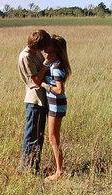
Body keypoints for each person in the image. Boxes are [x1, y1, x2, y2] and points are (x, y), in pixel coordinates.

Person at [17, 29, 54, 175]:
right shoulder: (25, 56)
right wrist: (47, 62)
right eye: (43, 46)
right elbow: (36, 80)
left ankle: (34, 168)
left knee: (38, 136)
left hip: (41, 99)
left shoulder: (35, 52)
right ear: (38, 46)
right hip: (35, 100)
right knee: (31, 136)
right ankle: (27, 170)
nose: (45, 50)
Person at [40, 35, 71, 181]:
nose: (45, 46)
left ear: (55, 48)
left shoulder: (57, 65)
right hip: (54, 103)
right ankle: (59, 169)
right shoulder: (54, 62)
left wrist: (45, 85)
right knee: (53, 138)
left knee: (53, 138)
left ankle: (59, 172)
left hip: (56, 104)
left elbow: (60, 90)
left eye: (49, 45)